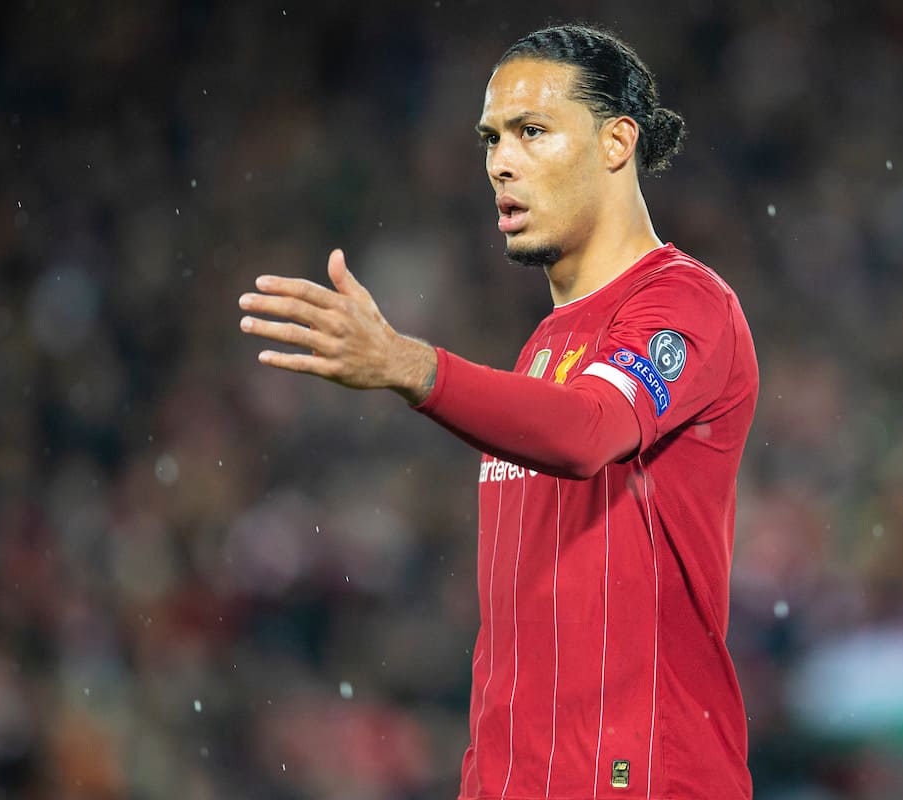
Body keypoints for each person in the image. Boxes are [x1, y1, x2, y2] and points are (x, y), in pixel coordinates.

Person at [238, 23, 758, 800]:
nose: (500, 163)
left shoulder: (684, 304)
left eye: (532, 131)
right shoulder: (545, 348)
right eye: (491, 139)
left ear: (617, 142)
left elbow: (590, 433)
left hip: (643, 778)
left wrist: (412, 367)